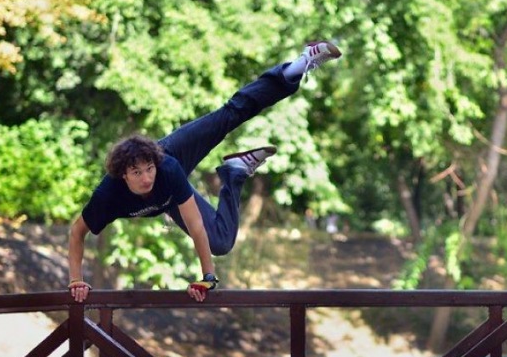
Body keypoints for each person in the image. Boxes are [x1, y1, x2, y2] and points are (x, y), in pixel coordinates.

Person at [68, 41, 342, 303]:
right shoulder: (108, 195)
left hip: (172, 155)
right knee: (221, 242)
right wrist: (76, 281)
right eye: (137, 173)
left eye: (149, 169)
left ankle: (296, 67)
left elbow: (196, 224)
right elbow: (77, 233)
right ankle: (234, 172)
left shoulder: (166, 167)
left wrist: (207, 277)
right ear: (123, 175)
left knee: (229, 115)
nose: (147, 178)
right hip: (167, 199)